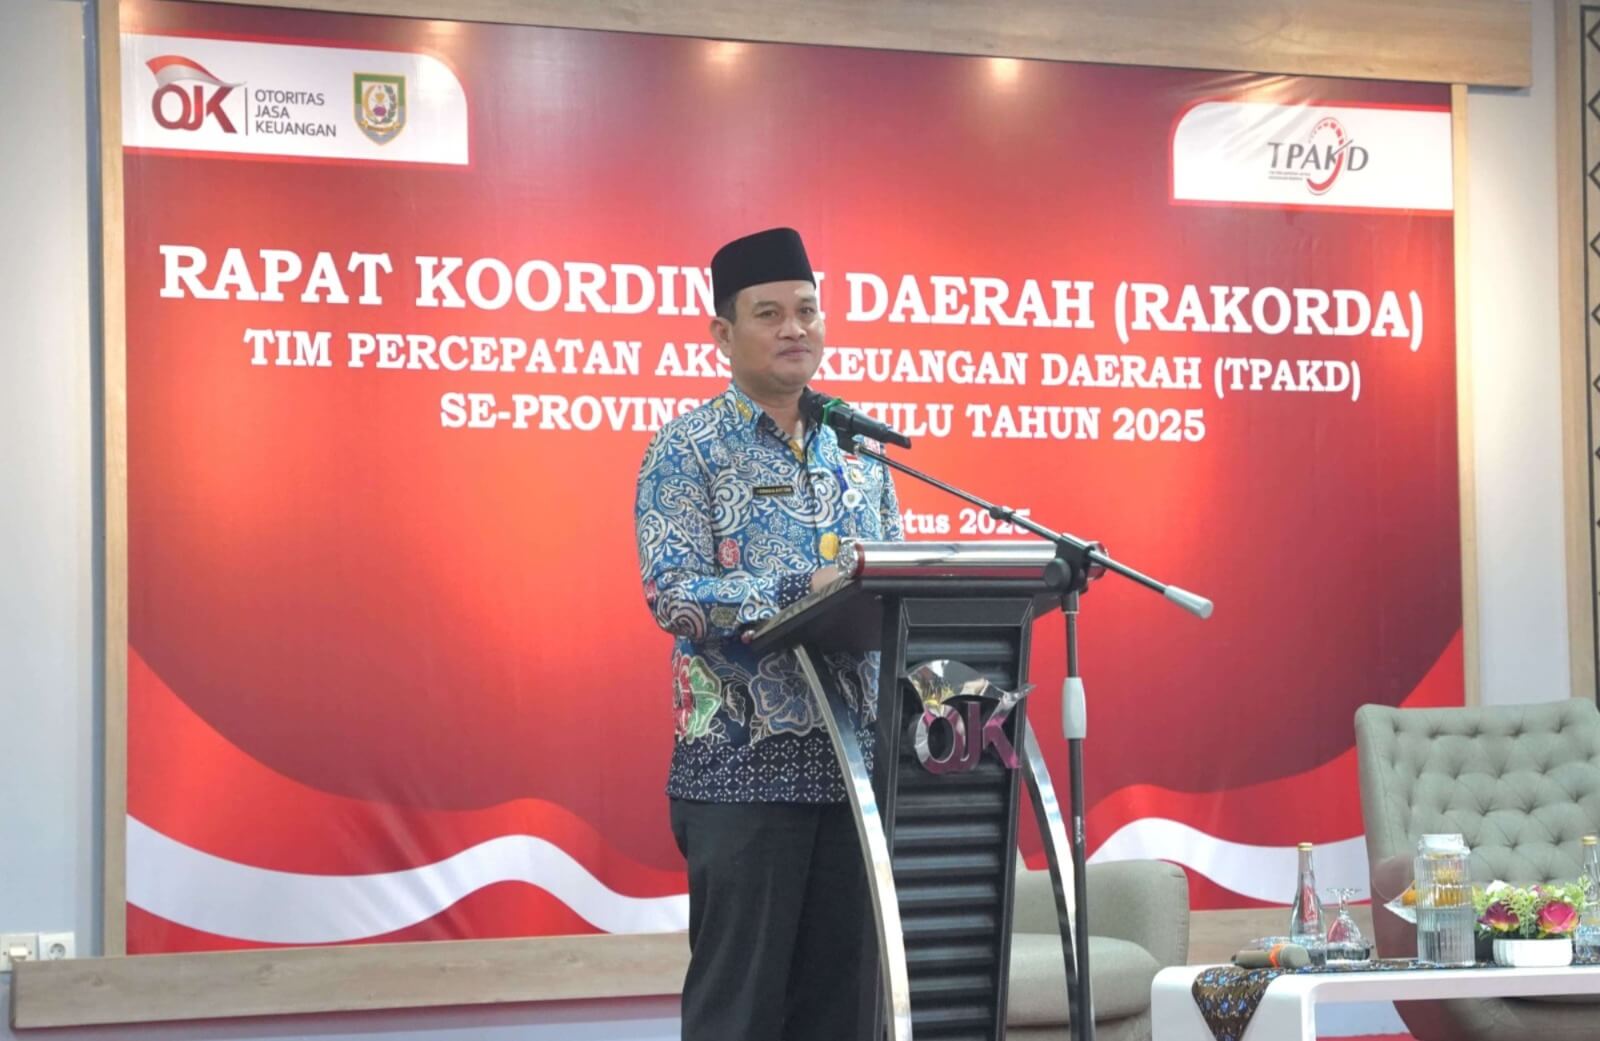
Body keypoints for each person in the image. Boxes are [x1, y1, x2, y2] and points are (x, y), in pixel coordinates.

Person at [634, 226, 904, 1040]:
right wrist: (799, 589)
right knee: (739, 1015)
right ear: (722, 333)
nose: (795, 328)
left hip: (855, 775)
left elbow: (891, 583)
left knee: (843, 1013)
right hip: (739, 773)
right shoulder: (686, 447)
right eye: (770, 313)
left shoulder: (860, 449)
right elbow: (674, 595)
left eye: (808, 310)